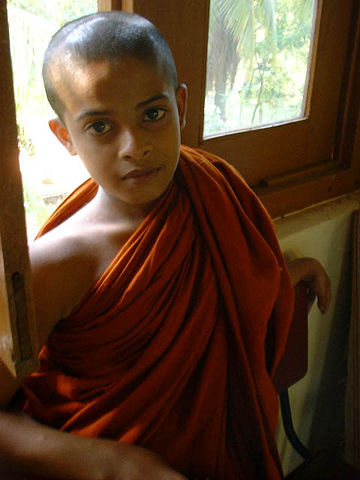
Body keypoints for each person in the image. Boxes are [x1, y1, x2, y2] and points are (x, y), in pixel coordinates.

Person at [0, 10, 331, 480]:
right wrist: (114, 465)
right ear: (64, 136)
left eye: (153, 114)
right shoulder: (54, 266)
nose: (135, 146)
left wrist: (286, 274)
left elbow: (233, 284)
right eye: (100, 126)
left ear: (181, 105)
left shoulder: (212, 188)